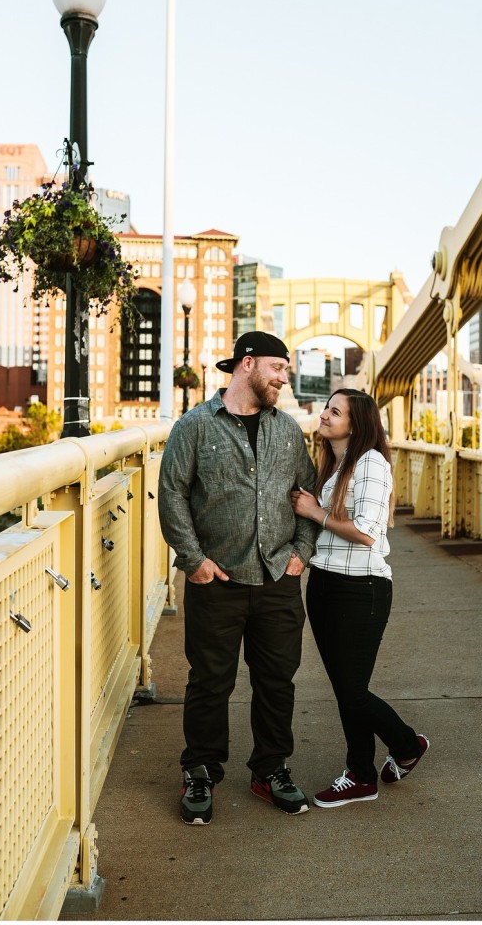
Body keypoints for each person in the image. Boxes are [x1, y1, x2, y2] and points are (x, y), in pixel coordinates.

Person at [158, 331, 319, 825]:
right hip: (217, 581)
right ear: (247, 365)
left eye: (286, 370)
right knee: (210, 682)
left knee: (277, 682)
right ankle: (201, 771)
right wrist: (194, 560)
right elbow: (171, 494)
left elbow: (308, 492)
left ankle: (270, 770)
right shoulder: (195, 427)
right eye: (278, 368)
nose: (284, 377)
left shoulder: (288, 431)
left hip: (278, 579)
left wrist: (301, 553)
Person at [290, 388, 429, 808]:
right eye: (326, 409)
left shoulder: (370, 463)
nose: (325, 415)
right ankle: (362, 774)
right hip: (326, 583)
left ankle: (405, 745)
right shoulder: (335, 464)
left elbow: (367, 532)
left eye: (336, 411)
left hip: (360, 588)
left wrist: (313, 511)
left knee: (351, 691)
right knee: (346, 686)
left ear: (357, 422)